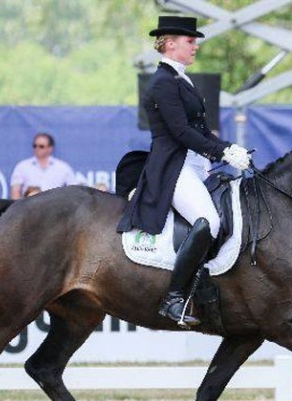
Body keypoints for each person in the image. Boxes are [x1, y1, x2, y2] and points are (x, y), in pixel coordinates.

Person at [116, 16, 251, 326]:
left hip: (195, 163)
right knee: (208, 222)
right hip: (173, 166)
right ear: (169, 43)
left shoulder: (181, 79)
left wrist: (231, 148)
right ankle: (174, 298)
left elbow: (201, 131)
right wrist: (222, 152)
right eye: (190, 41)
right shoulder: (162, 82)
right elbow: (179, 131)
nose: (195, 46)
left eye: (195, 41)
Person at [10, 132, 78, 199]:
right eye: (34, 146)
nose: (37, 148)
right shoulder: (22, 166)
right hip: (29, 207)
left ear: (50, 148)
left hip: (55, 207)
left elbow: (74, 191)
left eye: (41, 146)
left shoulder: (63, 168)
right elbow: (15, 191)